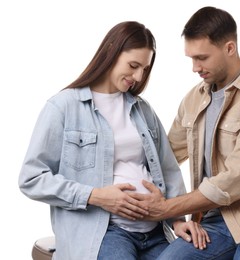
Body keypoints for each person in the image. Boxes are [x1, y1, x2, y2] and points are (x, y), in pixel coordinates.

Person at [130, 6, 240, 260]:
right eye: (191, 58)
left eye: (202, 57)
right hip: (215, 222)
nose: (194, 67)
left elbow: (234, 181)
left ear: (230, 48)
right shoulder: (194, 98)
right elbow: (164, 155)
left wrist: (165, 209)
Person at [18, 21, 203, 260]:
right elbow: (32, 178)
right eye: (133, 65)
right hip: (105, 233)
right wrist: (96, 196)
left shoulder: (143, 110)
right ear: (112, 52)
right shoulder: (64, 107)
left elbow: (169, 171)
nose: (138, 77)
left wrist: (177, 220)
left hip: (155, 231)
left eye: (144, 69)